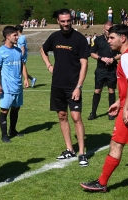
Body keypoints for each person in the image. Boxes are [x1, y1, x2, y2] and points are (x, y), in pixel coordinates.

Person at [80, 24, 128, 193]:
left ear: (123, 38)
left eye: (112, 38)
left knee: (115, 143)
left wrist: (125, 108)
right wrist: (119, 102)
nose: (109, 40)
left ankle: (102, 183)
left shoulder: (127, 57)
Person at [40, 8, 90, 167]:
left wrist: (79, 86)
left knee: (76, 118)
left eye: (68, 21)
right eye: (63, 21)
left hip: (73, 86)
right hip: (57, 85)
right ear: (58, 21)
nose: (66, 23)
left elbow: (84, 64)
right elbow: (43, 49)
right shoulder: (54, 37)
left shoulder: (80, 39)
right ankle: (70, 149)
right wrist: (48, 65)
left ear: (72, 20)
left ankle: (82, 153)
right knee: (62, 116)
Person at [0, 26, 29, 143]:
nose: (17, 37)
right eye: (15, 35)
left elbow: (23, 65)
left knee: (16, 108)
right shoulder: (0, 52)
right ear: (8, 37)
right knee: (4, 110)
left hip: (18, 85)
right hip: (7, 87)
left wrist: (26, 79)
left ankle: (12, 130)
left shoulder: (18, 51)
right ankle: (4, 135)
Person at [87, 21, 121, 121]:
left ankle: (111, 112)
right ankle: (93, 113)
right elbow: (92, 53)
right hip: (101, 69)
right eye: (107, 30)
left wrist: (113, 59)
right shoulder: (98, 40)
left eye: (110, 30)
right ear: (103, 29)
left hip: (112, 69)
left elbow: (122, 53)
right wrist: (101, 58)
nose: (108, 32)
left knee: (111, 90)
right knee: (97, 90)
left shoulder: (116, 40)